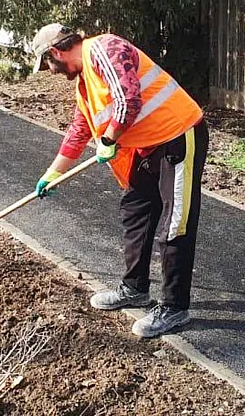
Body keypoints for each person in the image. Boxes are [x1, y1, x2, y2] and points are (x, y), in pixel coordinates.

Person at [31, 23, 209, 338]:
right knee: (135, 210)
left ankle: (175, 307)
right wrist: (53, 173)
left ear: (55, 52)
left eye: (48, 63)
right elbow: (80, 128)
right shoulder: (85, 83)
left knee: (174, 222)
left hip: (179, 135)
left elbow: (129, 99)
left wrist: (110, 138)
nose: (50, 70)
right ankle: (134, 289)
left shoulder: (105, 49)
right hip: (147, 146)